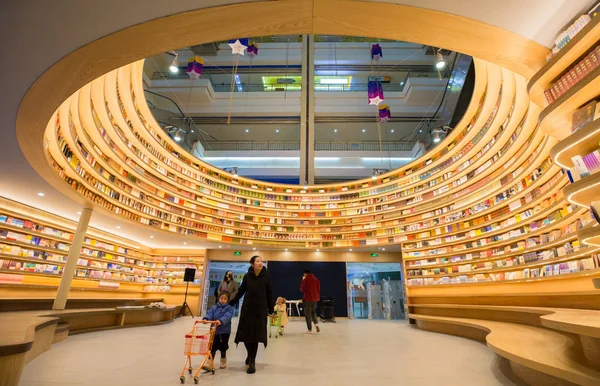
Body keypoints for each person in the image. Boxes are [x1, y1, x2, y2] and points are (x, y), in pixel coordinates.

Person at [229, 256, 274, 374]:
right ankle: (249, 354)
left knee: (256, 336)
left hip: (260, 310)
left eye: (261, 261)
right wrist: (231, 303)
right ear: (252, 264)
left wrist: (271, 309)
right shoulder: (247, 276)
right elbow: (241, 291)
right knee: (245, 334)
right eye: (257, 261)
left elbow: (269, 293)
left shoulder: (266, 276)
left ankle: (252, 362)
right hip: (248, 309)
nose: (260, 263)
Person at [203, 293, 234, 369]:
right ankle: (209, 363)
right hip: (214, 331)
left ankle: (223, 360)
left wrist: (221, 321)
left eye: (225, 299)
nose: (222, 300)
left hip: (225, 331)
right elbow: (210, 313)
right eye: (221, 298)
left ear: (228, 300)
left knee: (223, 347)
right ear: (218, 299)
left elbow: (228, 316)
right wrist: (206, 318)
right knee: (212, 346)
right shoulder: (214, 307)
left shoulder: (229, 308)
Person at [300, 269, 321, 333]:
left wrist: (302, 281)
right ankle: (316, 324)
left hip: (308, 298)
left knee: (308, 314)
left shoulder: (305, 279)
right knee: (314, 312)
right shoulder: (316, 279)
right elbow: (318, 289)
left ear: (305, 274)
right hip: (315, 298)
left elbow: (302, 289)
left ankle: (309, 329)